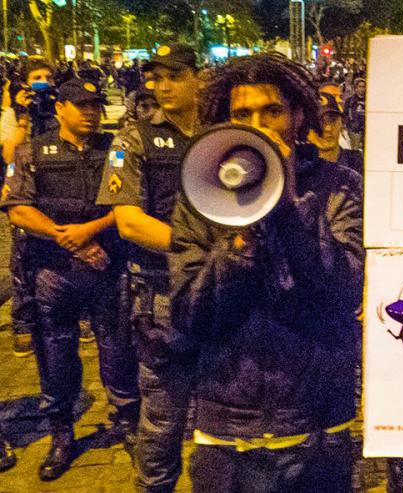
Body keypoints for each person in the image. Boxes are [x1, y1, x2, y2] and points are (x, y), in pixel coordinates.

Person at [170, 52, 362, 492]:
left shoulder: (339, 187)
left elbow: (343, 294)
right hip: (228, 433)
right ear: (224, 120)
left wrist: (290, 208)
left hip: (317, 426)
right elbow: (189, 314)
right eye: (242, 113)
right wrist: (240, 241)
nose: (258, 123)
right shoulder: (201, 193)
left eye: (272, 110)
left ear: (298, 115)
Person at [0, 79, 140, 481]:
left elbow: (131, 201)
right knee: (56, 356)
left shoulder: (115, 150)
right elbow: (17, 209)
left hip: (106, 266)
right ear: (60, 108)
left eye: (95, 105)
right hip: (53, 272)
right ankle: (62, 435)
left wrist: (91, 230)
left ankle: (128, 427)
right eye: (81, 105)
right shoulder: (31, 152)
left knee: (117, 351)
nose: (92, 112)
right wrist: (71, 240)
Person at [95, 43, 200, 493]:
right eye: (156, 77)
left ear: (200, 77)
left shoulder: (225, 131)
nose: (162, 85)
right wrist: (201, 250)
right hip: (160, 293)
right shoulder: (132, 138)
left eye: (174, 75)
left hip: (222, 288)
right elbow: (128, 221)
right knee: (161, 417)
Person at [1, 58, 57, 358]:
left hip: (54, 186)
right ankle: (22, 321)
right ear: (24, 81)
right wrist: (23, 115)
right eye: (36, 76)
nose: (43, 81)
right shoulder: (13, 113)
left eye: (47, 76)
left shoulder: (61, 105)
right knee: (22, 258)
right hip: (24, 188)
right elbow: (10, 152)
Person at [308, 93, 362, 174]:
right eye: (319, 122)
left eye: (333, 120)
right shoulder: (296, 167)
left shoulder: (357, 162)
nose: (328, 128)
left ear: (342, 122)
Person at [344, 77, 366, 150]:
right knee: (355, 151)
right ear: (356, 88)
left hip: (366, 129)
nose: (362, 89)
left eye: (363, 87)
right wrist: (349, 126)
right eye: (360, 86)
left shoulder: (369, 100)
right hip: (354, 130)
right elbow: (345, 114)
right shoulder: (350, 101)